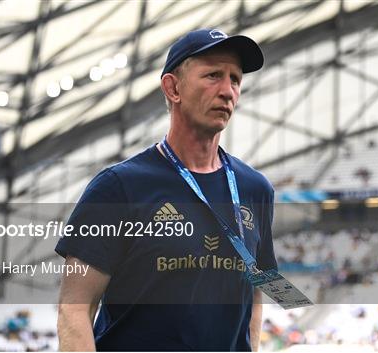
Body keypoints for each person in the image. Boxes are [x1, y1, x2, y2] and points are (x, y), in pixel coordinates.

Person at [56, 28, 277, 351]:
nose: (228, 91)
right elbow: (74, 309)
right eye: (213, 75)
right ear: (173, 88)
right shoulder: (119, 188)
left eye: (235, 79)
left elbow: (259, 288)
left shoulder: (256, 189)